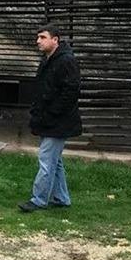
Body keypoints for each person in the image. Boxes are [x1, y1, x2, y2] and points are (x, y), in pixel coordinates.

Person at [19, 24, 82, 212]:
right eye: (38, 37)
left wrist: (52, 112)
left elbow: (71, 91)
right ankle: (61, 198)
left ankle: (38, 199)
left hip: (59, 121)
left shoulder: (66, 61)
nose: (38, 41)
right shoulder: (48, 59)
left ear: (55, 40)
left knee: (46, 159)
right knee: (55, 161)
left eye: (42, 37)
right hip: (48, 119)